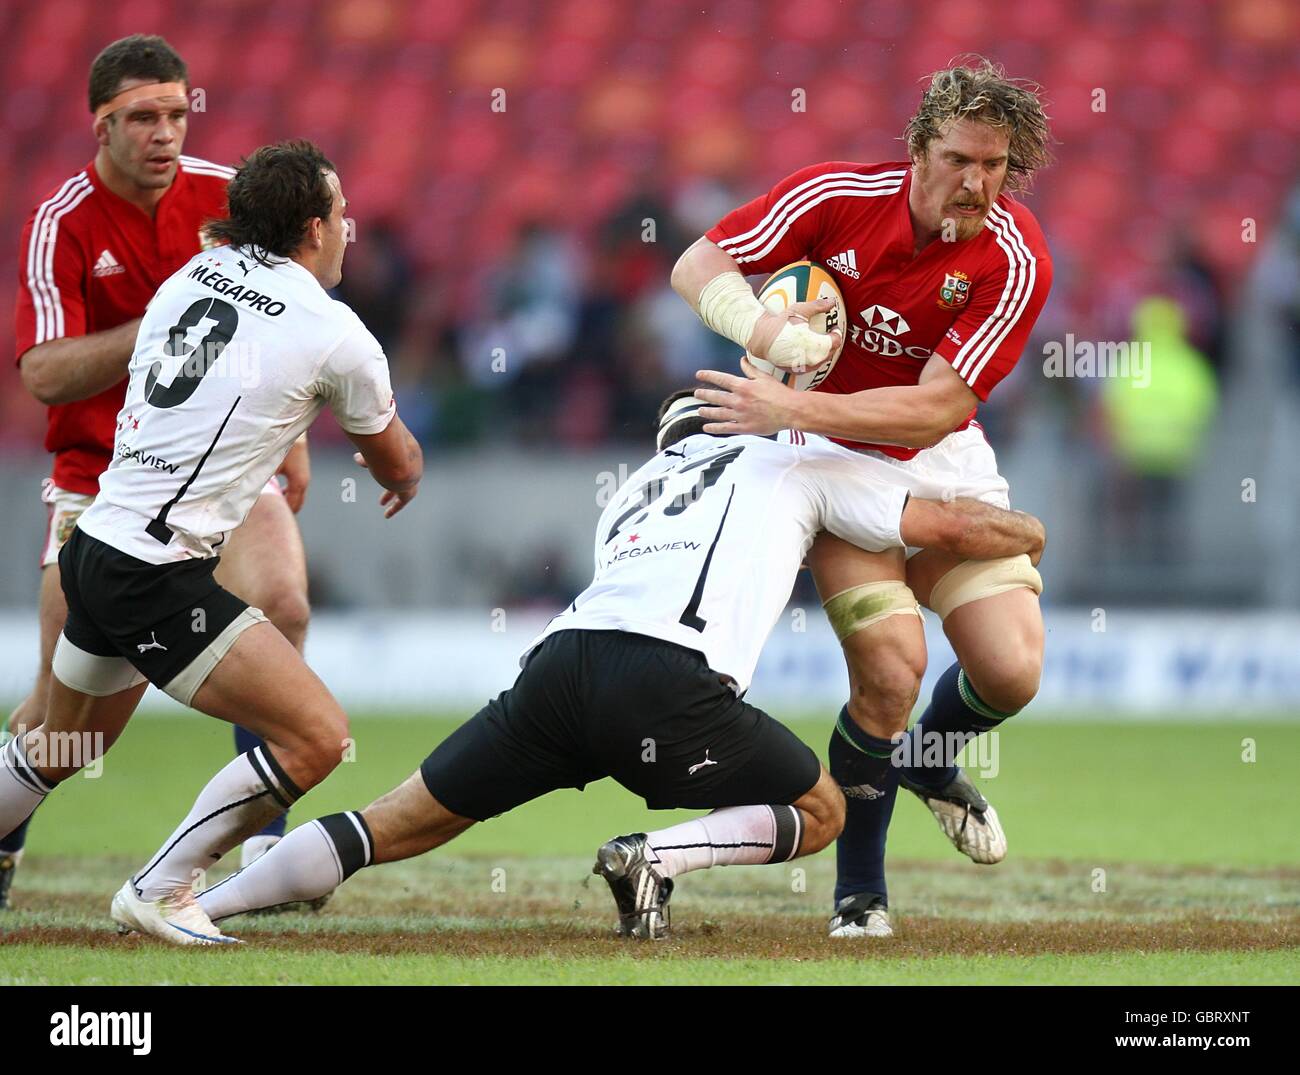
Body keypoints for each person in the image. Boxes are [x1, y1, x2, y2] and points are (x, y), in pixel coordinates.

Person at [191, 390, 1044, 942]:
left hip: (559, 670)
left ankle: (201, 901)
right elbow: (952, 529)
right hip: (671, 684)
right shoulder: (791, 460)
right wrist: (1029, 533)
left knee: (397, 819)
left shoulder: (631, 491)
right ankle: (656, 859)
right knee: (818, 806)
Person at [0, 141, 422, 946]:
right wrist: (402, 474)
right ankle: (161, 887)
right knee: (318, 736)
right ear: (311, 229)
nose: (349, 228)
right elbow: (394, 456)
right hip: (157, 574)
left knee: (57, 743)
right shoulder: (337, 334)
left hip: (92, 543)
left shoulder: (189, 276)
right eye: (340, 215)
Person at [672, 57, 1055, 936]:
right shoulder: (838, 197)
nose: (976, 182)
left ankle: (927, 760)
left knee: (1012, 670)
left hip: (941, 460)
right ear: (919, 148)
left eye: (995, 166)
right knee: (890, 672)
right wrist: (765, 332)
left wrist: (788, 399)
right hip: (830, 466)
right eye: (960, 158)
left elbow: (935, 409)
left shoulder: (1013, 253)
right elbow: (700, 262)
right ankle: (860, 895)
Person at [2, 34, 314, 908]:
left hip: (219, 465)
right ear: (101, 125)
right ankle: (3, 841)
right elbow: (41, 372)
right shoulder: (62, 221)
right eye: (144, 117)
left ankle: (261, 850)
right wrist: (161, 324)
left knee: (282, 604)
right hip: (100, 479)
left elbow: (292, 318)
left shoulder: (224, 196)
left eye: (177, 112)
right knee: (65, 730)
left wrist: (290, 436)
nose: (165, 133)